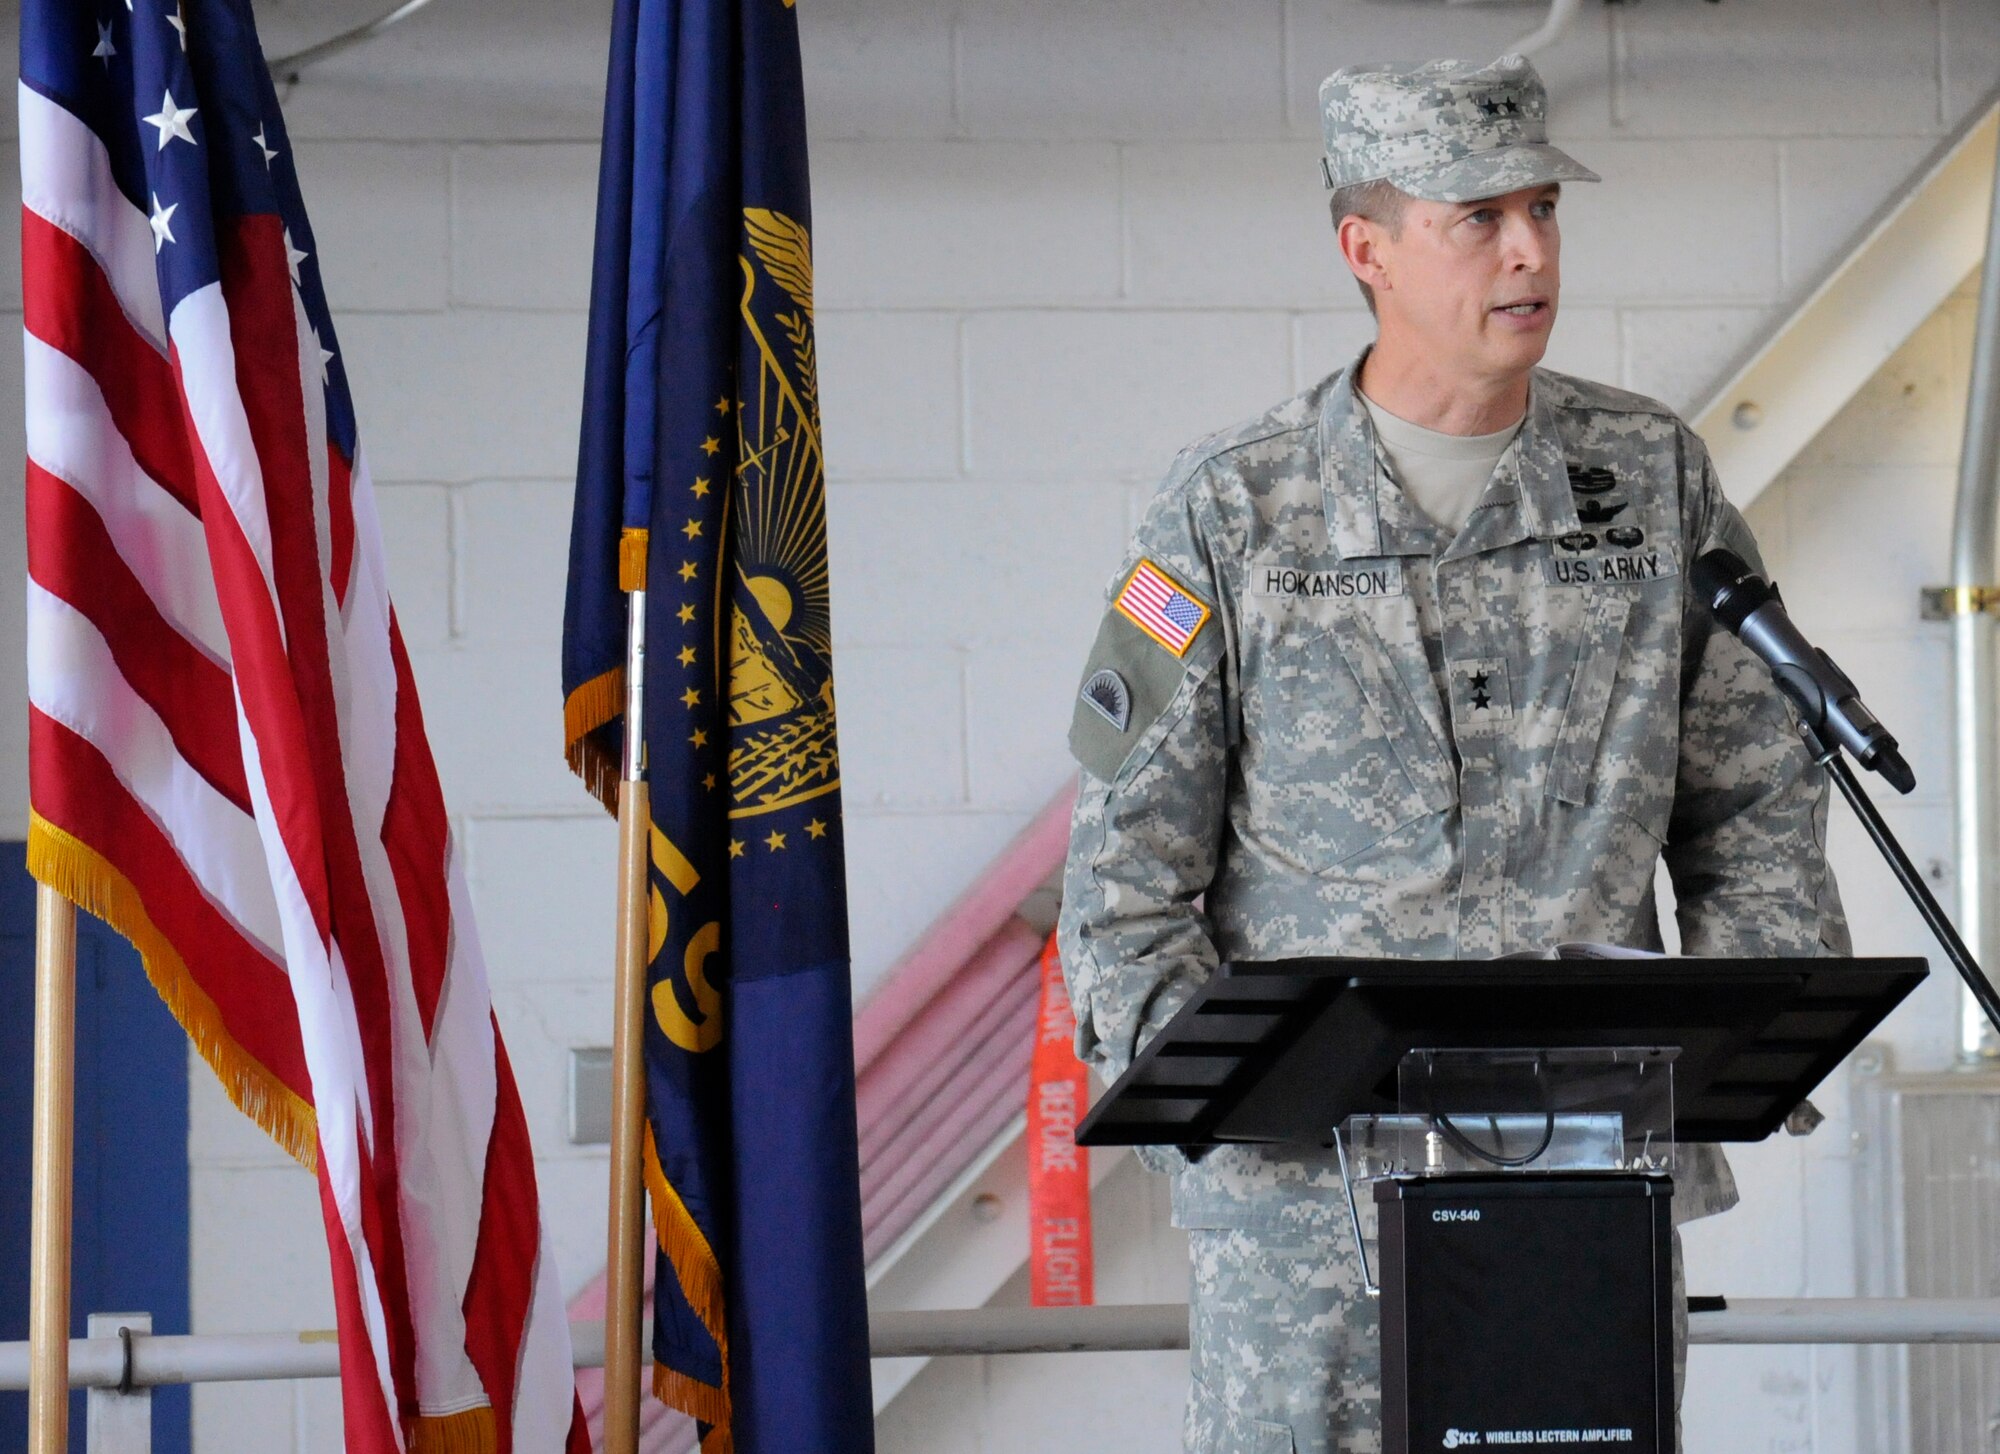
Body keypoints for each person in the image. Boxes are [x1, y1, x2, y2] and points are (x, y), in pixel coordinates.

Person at [1055, 53, 1849, 1454]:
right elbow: (1122, 880)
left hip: (1586, 1180)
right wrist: (1256, 1111)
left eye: (1542, 207)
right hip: (1308, 1236)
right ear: (1365, 246)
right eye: (1476, 217)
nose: (1530, 249)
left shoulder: (1650, 480)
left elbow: (1754, 801)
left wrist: (1745, 1040)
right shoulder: (1233, 513)